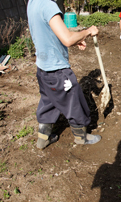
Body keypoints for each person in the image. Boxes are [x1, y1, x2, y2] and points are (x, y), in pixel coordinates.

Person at [27, 0, 101, 149]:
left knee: (49, 101)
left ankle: (43, 138)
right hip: (57, 70)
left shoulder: (32, 3)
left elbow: (48, 34)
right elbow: (67, 39)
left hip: (43, 68)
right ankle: (81, 137)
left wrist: (76, 40)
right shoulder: (48, 5)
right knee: (74, 101)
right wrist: (87, 32)